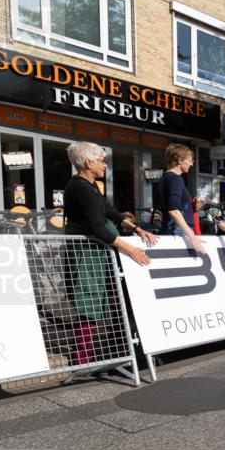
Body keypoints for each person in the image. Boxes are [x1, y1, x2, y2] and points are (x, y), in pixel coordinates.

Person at [63, 141, 157, 365]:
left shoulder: (90, 185)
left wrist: (135, 228)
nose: (104, 165)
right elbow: (98, 227)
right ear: (88, 163)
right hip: (87, 255)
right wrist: (131, 249)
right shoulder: (80, 188)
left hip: (98, 253)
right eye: (101, 161)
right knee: (90, 304)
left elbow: (109, 211)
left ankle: (119, 349)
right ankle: (82, 361)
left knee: (115, 299)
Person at [156, 143, 206, 255]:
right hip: (178, 231)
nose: (191, 164)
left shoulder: (165, 178)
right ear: (180, 160)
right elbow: (173, 209)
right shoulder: (176, 179)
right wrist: (192, 236)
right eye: (190, 160)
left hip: (171, 228)